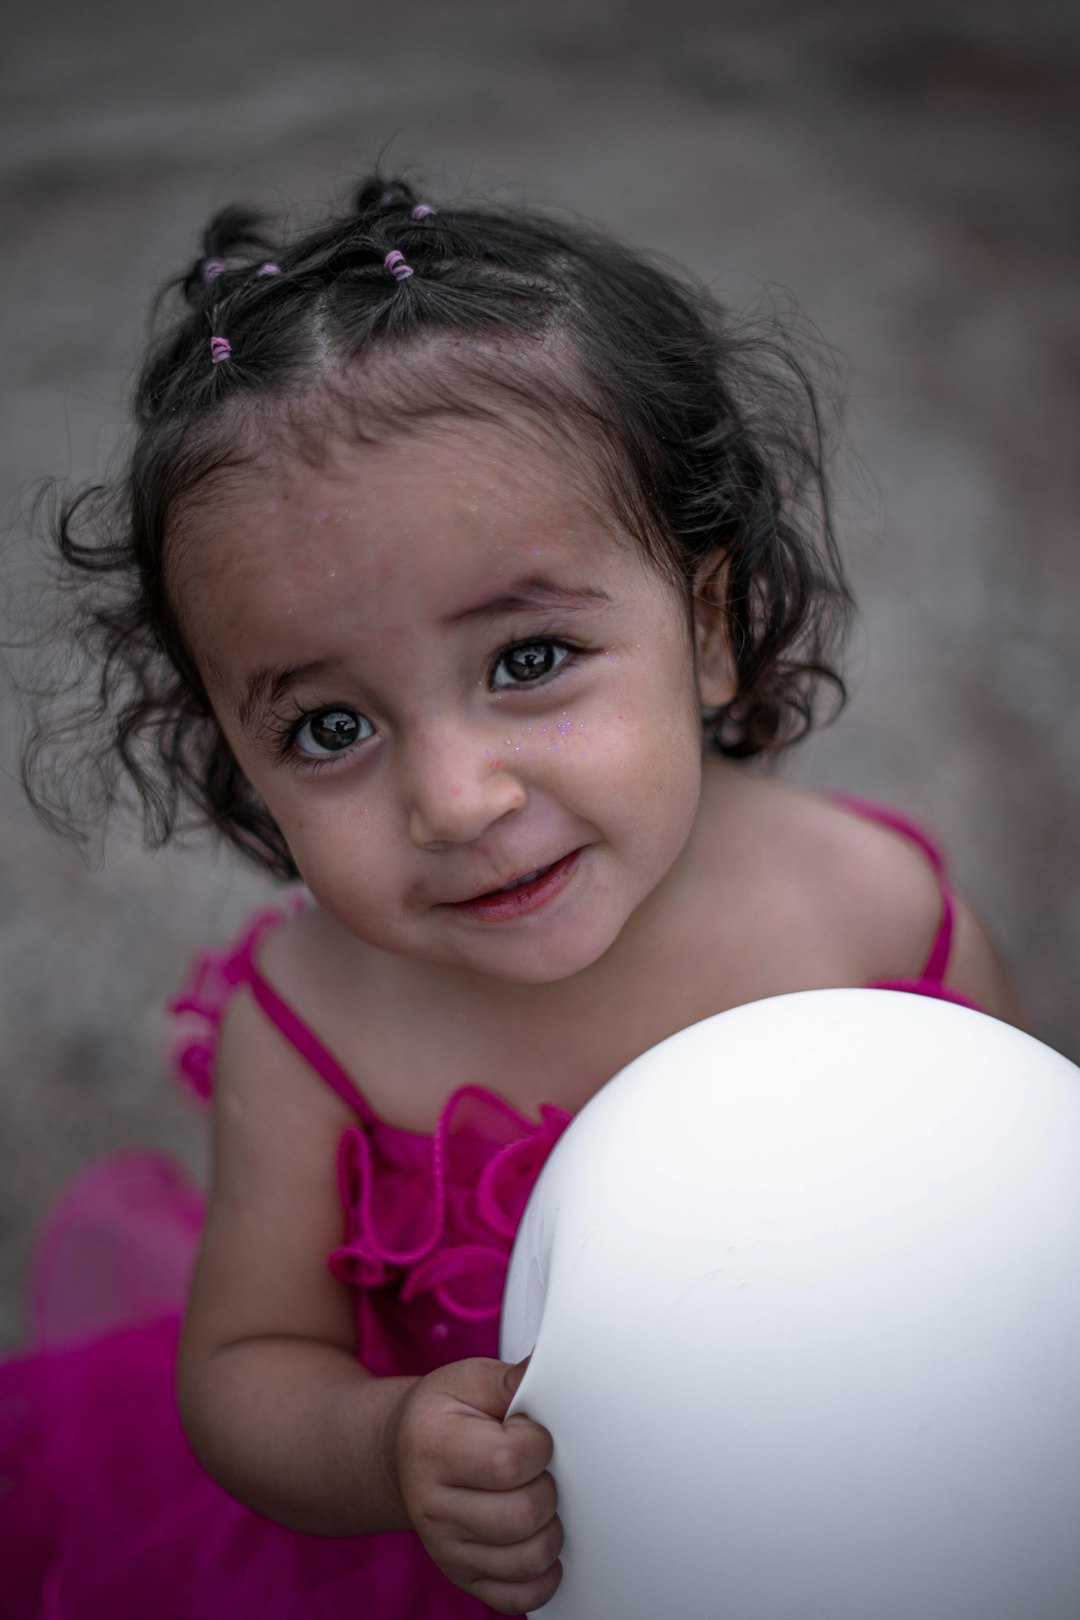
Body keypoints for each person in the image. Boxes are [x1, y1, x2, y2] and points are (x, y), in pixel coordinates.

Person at [2, 173, 1021, 1619]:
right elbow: (243, 1374)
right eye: (330, 728)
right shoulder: (309, 1033)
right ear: (234, 758)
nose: (457, 797)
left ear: (710, 628)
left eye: (528, 660)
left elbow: (1028, 1214)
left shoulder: (879, 920)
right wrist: (386, 1444)